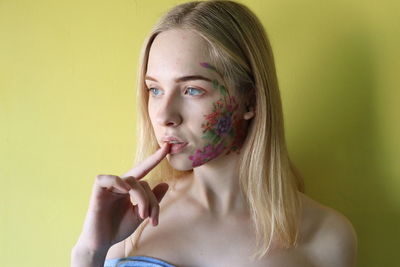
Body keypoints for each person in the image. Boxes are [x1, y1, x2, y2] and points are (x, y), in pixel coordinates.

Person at [71, 1, 358, 266]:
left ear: (250, 101)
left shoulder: (325, 235)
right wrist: (90, 253)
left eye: (192, 90)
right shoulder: (130, 219)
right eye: (155, 90)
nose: (164, 116)